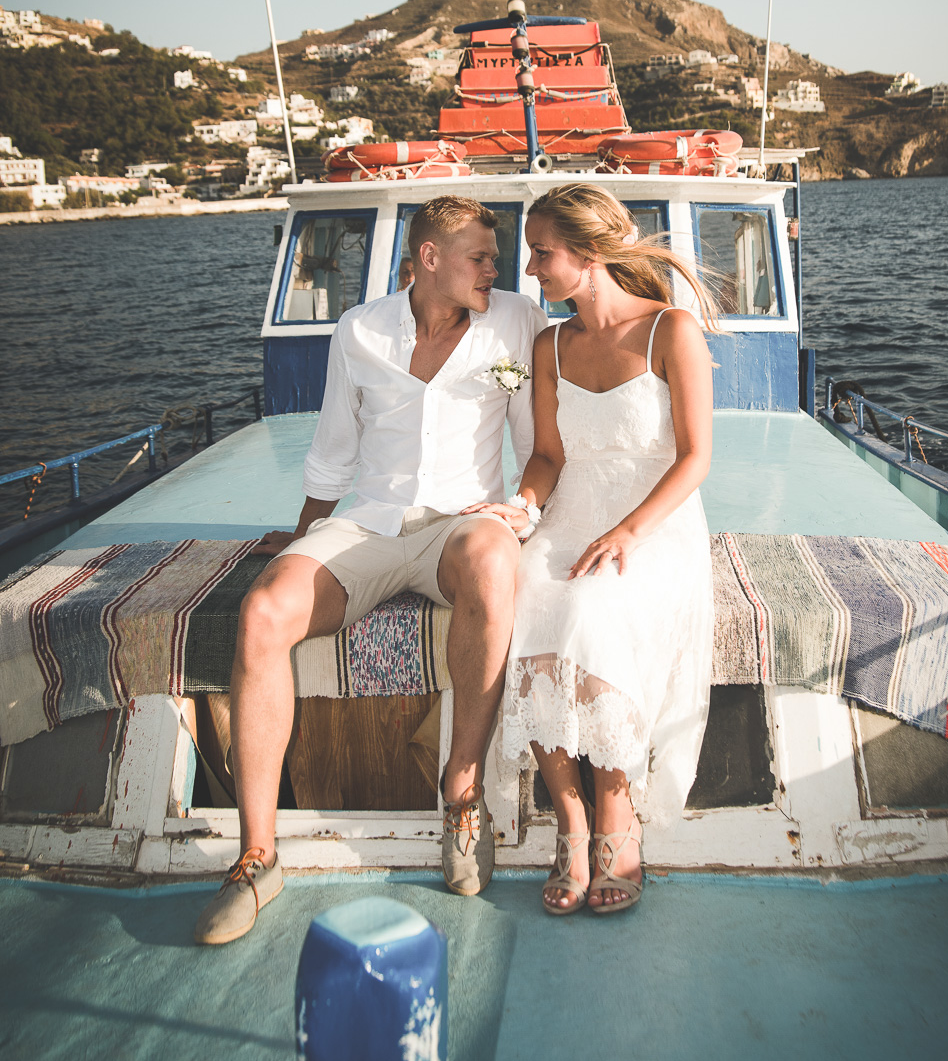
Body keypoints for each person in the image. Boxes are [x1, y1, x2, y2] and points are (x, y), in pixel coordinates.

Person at [194, 195, 546, 944]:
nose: (495, 267)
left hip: (462, 524)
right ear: (428, 259)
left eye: (494, 257)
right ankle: (257, 855)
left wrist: (522, 512)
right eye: (479, 256)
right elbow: (332, 451)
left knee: (490, 558)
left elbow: (532, 438)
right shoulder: (360, 331)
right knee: (263, 612)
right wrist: (299, 541)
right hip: (373, 522)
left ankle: (462, 794)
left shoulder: (515, 322)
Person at [463, 185, 717, 917]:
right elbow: (546, 454)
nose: (530, 268)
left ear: (590, 254)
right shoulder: (550, 344)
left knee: (595, 612)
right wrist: (523, 506)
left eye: (541, 253)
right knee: (528, 599)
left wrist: (630, 530)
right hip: (571, 513)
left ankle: (616, 816)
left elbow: (696, 459)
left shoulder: (672, 330)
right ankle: (570, 823)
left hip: (655, 519)